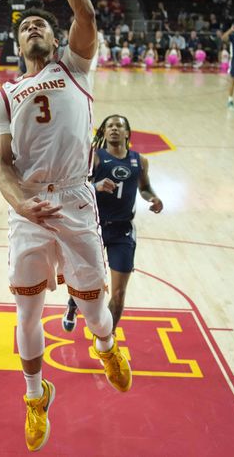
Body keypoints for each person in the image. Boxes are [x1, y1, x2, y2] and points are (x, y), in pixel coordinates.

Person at [0, 0, 132, 453]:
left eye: (41, 26)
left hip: (74, 199)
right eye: (25, 26)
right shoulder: (3, 96)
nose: (33, 29)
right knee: (26, 311)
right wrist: (20, 202)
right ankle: (34, 396)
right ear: (17, 42)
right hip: (28, 207)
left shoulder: (74, 68)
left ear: (56, 39)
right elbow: (3, 167)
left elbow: (85, 15)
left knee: (92, 309)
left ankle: (107, 346)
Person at [61, 115, 163, 337]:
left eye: (119, 126)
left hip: (123, 231)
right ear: (104, 133)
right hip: (93, 228)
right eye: (110, 126)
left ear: (127, 133)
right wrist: (95, 185)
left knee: (118, 292)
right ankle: (73, 303)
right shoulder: (94, 158)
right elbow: (76, 186)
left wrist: (152, 198)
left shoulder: (140, 161)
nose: (114, 129)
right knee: (87, 281)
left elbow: (144, 187)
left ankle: (106, 339)